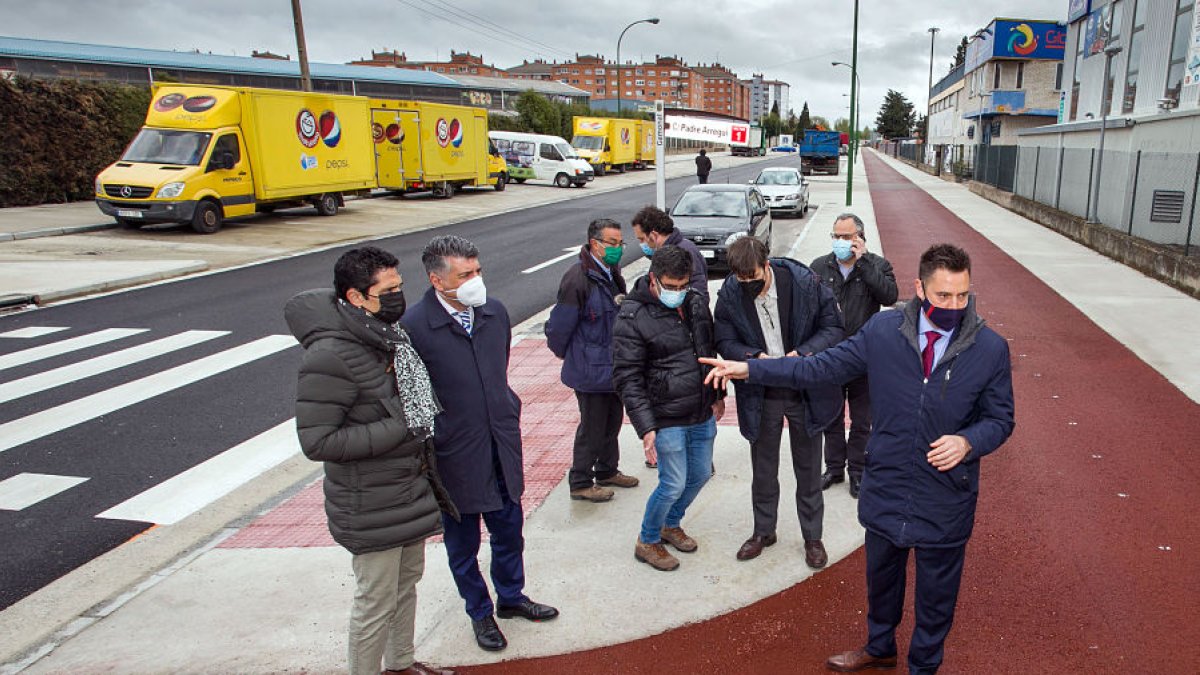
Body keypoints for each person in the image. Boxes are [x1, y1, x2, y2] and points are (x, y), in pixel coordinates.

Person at [701, 244, 1015, 674]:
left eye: (962, 296)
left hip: (945, 493)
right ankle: (880, 646)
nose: (954, 306)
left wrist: (968, 442)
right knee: (881, 583)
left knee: (936, 596)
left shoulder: (990, 349)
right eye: (944, 296)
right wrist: (751, 370)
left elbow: (1000, 419)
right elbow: (818, 367)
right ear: (920, 289)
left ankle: (923, 666)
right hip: (886, 484)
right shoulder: (882, 332)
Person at [285, 246, 457, 675]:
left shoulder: (387, 336)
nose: (399, 297)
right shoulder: (330, 354)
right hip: (370, 503)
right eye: (389, 290)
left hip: (407, 488)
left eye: (400, 286)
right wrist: (403, 425)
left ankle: (400, 664)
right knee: (375, 602)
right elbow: (317, 440)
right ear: (357, 296)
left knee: (406, 588)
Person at [402, 235, 559, 653]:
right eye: (465, 274)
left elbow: (497, 371)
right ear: (437, 280)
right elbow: (413, 399)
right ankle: (480, 612)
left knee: (510, 531)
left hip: (500, 445)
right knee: (463, 544)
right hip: (455, 455)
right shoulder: (414, 328)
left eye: (478, 270)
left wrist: (505, 411)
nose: (476, 280)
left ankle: (511, 597)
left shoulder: (494, 313)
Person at [713, 237, 844, 567]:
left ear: (766, 266)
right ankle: (763, 531)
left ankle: (812, 537)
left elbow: (833, 327)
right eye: (741, 280)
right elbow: (724, 338)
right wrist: (752, 357)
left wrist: (802, 354)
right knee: (764, 468)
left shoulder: (805, 284)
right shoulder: (730, 293)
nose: (747, 285)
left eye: (753, 277)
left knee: (809, 468)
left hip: (805, 387)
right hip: (761, 388)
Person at [612, 245, 726, 572]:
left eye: (683, 285)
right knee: (673, 482)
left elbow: (708, 351)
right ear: (653, 279)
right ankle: (647, 540)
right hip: (665, 417)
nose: (677, 292)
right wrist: (646, 427)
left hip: (700, 409)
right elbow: (627, 377)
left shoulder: (695, 303)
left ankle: (670, 523)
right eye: (670, 286)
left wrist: (718, 395)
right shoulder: (632, 317)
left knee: (702, 473)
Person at [544, 218, 639, 503]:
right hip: (589, 369)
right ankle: (581, 481)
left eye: (620, 243)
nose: (618, 248)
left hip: (611, 366)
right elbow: (559, 328)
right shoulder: (578, 279)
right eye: (612, 243)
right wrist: (573, 356)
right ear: (595, 244)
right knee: (592, 426)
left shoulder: (610, 273)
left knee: (612, 421)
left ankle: (607, 470)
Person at [809, 213, 898, 499]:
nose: (840, 242)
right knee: (831, 417)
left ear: (859, 238)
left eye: (846, 237)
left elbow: (889, 296)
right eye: (836, 236)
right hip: (831, 357)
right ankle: (834, 468)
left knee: (862, 420)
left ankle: (857, 472)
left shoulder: (877, 266)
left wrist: (865, 262)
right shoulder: (819, 267)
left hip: (864, 358)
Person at [631, 204, 708, 301]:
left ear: (653, 235)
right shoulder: (674, 249)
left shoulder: (684, 252)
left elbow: (699, 293)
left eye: (642, 239)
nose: (641, 244)